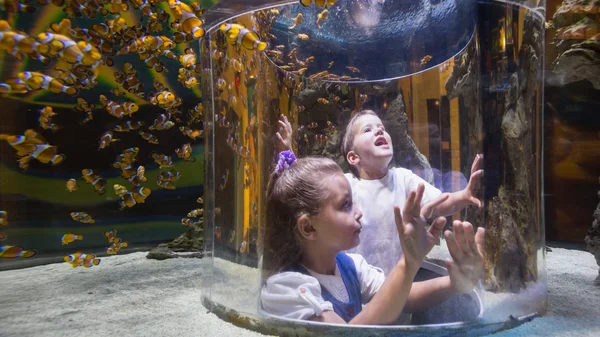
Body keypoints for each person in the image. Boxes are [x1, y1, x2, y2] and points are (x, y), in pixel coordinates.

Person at [275, 110, 485, 311]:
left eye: (382, 128)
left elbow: (439, 203)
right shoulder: (348, 187)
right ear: (353, 158)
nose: (379, 131)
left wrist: (463, 196)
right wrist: (289, 155)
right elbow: (310, 190)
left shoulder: (403, 179)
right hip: (355, 286)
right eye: (368, 130)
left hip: (399, 289)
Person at [260, 153, 485, 324]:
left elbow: (403, 297)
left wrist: (456, 282)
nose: (358, 212)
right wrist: (408, 263)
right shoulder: (288, 288)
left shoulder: (351, 266)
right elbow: (344, 335)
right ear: (308, 227)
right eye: (345, 205)